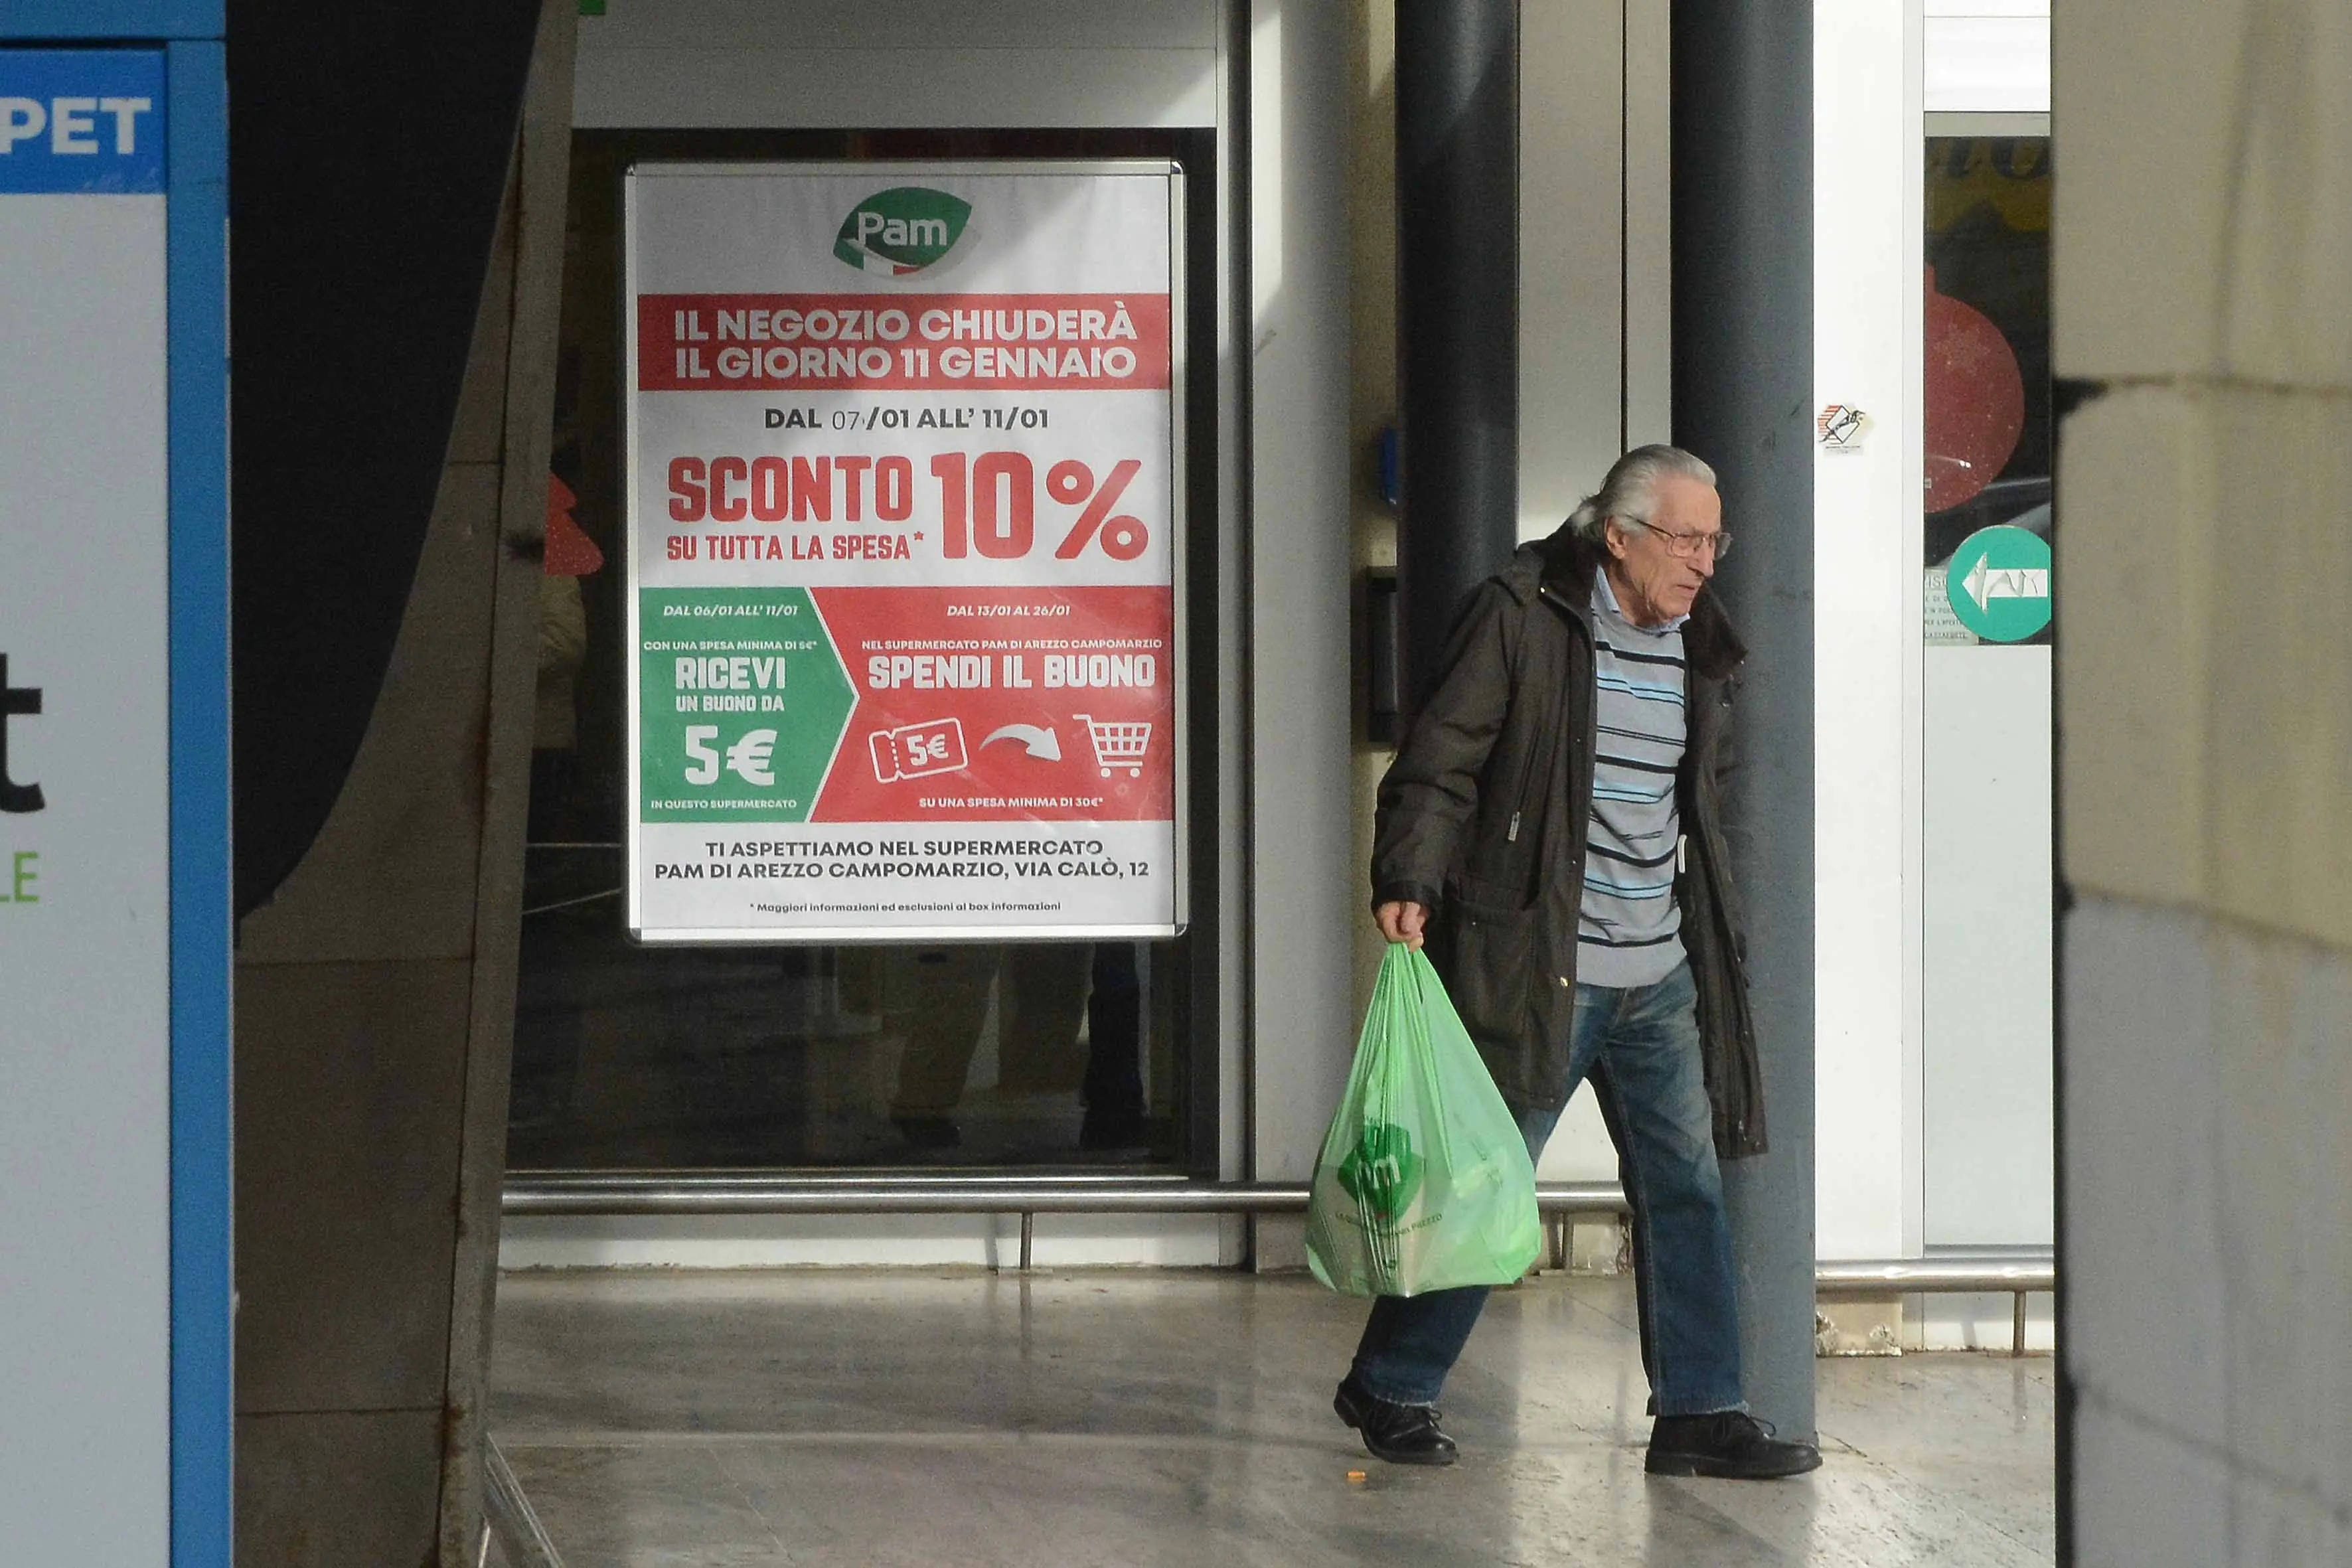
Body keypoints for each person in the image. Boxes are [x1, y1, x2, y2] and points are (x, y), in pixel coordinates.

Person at [1334, 444, 1820, 1480]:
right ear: (1617, 534)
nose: (1702, 560)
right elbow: (1441, 757)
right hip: (1541, 957)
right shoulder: (1524, 612)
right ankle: (1391, 1382)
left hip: (1658, 968)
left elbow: (1699, 794)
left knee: (1686, 1186)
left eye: (1712, 540)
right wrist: (1408, 874)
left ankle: (1698, 1408)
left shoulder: (1702, 641)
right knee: (1486, 1183)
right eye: (1683, 538)